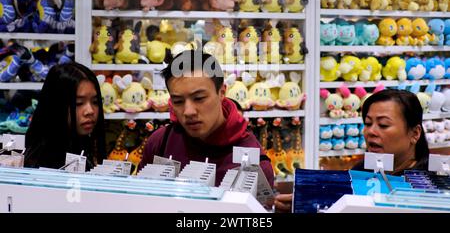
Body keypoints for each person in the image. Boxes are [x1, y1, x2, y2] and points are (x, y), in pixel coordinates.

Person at [273, 88, 430, 212]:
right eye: (368, 123)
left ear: (414, 133)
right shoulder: (359, 173)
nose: (371, 132)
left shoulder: (431, 187)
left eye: (383, 125)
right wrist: (303, 204)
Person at [138, 50, 274, 188]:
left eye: (199, 98)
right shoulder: (160, 142)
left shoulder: (254, 163)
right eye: (178, 101)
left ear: (221, 92)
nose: (188, 111)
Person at [24, 62, 106, 171]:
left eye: (95, 102)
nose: (90, 111)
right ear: (57, 106)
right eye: (79, 103)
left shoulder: (86, 144)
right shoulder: (41, 163)